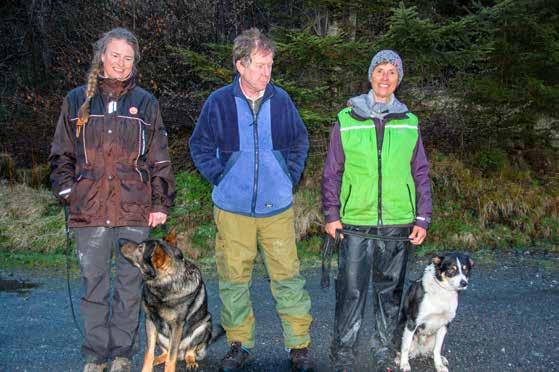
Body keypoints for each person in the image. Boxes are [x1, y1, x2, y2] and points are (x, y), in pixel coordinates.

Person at [49, 27, 175, 372]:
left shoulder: (146, 103)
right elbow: (61, 155)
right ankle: (95, 356)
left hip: (134, 210)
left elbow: (160, 159)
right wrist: (67, 192)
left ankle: (121, 354)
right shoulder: (76, 101)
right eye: (115, 55)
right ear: (102, 57)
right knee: (94, 287)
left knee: (130, 286)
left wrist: (159, 203)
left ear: (135, 63)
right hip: (89, 210)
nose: (121, 63)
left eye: (128, 58)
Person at [189, 28, 314, 372]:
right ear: (240, 65)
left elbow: (300, 141)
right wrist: (222, 175)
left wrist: (289, 175)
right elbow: (199, 145)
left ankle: (299, 345)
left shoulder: (282, 100)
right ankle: (239, 343)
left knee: (288, 276)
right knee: (233, 278)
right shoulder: (219, 102)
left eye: (270, 65)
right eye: (260, 65)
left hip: (277, 209)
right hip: (232, 210)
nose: (266, 72)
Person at [322, 49, 432, 372]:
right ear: (370, 75)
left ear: (399, 79)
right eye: (380, 70)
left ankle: (384, 352)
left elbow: (421, 172)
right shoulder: (347, 118)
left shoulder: (410, 122)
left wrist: (422, 216)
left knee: (390, 294)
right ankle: (343, 356)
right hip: (355, 221)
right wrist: (332, 214)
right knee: (351, 292)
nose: (385, 77)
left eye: (392, 72)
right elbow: (332, 172)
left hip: (398, 222)